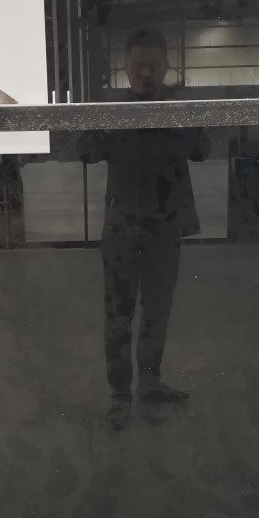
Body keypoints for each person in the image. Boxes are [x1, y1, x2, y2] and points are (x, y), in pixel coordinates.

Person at [81, 29, 209, 430]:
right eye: (139, 66)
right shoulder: (113, 109)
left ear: (167, 66)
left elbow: (201, 151)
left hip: (163, 230)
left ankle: (149, 382)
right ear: (125, 67)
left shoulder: (178, 108)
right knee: (118, 317)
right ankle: (121, 394)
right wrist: (105, 125)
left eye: (153, 66)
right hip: (122, 229)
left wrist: (180, 115)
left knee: (157, 312)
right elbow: (85, 152)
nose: (146, 74)